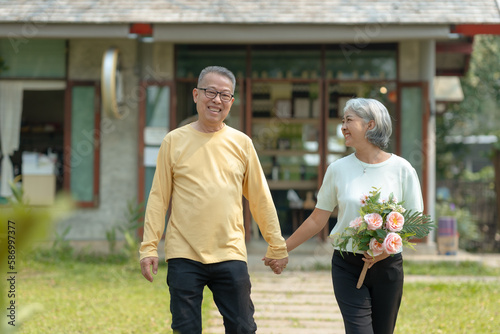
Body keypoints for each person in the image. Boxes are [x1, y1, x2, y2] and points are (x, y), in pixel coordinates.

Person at [139, 65, 288, 334]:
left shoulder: (241, 143)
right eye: (210, 92)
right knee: (185, 329)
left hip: (229, 252)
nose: (216, 100)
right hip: (184, 254)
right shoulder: (173, 141)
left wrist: (276, 244)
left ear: (231, 102)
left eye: (225, 95)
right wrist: (149, 247)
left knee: (242, 327)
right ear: (196, 95)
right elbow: (158, 198)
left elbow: (260, 198)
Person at [270, 98, 423, 334]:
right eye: (342, 120)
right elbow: (316, 219)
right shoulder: (337, 169)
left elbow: (416, 222)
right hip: (347, 265)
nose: (343, 126)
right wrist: (282, 249)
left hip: (387, 267)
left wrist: (385, 249)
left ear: (371, 125)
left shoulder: (402, 169)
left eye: (349, 120)